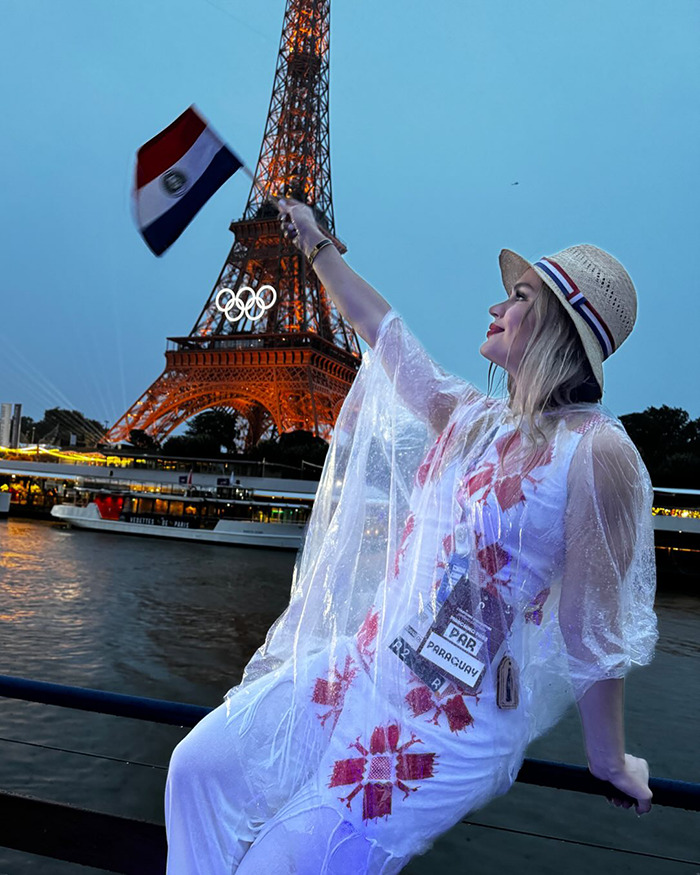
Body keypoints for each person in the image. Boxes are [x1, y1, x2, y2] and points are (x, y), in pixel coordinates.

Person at [164, 198, 658, 874]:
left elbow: (590, 627)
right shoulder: (476, 422)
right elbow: (384, 332)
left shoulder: (600, 454)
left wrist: (609, 759)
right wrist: (315, 246)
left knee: (278, 866)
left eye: (516, 297)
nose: (495, 307)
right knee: (194, 768)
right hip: (370, 663)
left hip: (451, 722)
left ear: (557, 328)